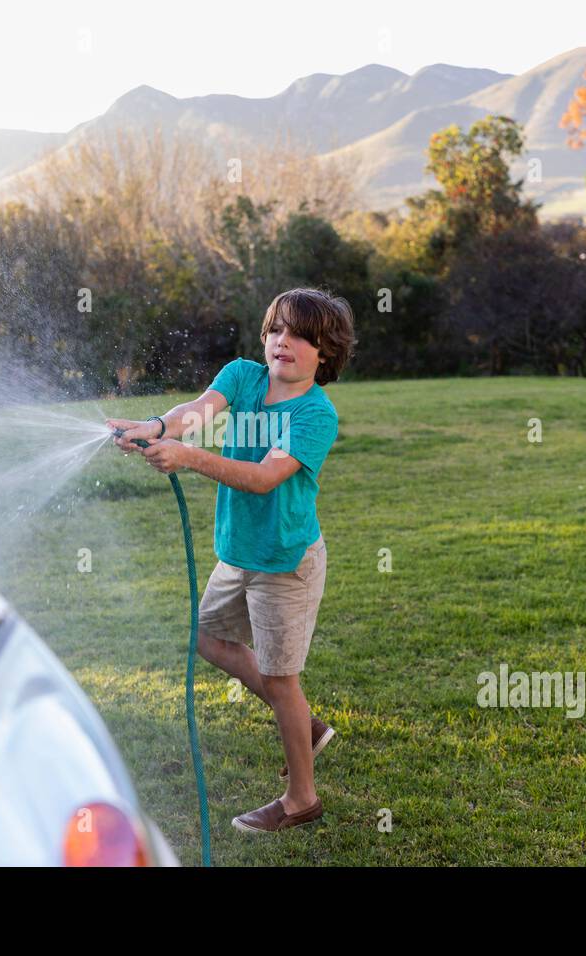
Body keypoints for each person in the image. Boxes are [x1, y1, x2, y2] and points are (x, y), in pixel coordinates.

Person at [107, 287, 355, 832]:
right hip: (237, 554)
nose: (283, 342)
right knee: (209, 639)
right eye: (277, 329)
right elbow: (196, 412)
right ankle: (306, 727)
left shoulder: (315, 415)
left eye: (300, 335)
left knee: (280, 677)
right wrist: (157, 428)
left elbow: (265, 478)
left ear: (326, 353)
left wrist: (189, 458)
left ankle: (301, 800)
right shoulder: (242, 376)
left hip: (285, 563)